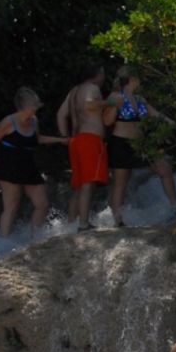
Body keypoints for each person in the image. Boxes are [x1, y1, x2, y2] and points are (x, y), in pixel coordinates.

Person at [103, 66, 176, 227]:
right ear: (132, 79)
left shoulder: (139, 98)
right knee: (120, 182)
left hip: (141, 144)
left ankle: (175, 207)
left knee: (164, 168)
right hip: (120, 143)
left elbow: (157, 114)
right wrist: (114, 106)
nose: (140, 81)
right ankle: (118, 221)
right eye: (138, 78)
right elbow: (107, 121)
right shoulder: (116, 96)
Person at [0, 87, 69, 236]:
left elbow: (37, 139)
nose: (36, 108)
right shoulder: (8, 122)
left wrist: (60, 140)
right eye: (34, 105)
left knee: (42, 204)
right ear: (25, 105)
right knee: (11, 207)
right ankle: (2, 244)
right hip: (8, 165)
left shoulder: (34, 120)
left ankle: (34, 238)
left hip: (27, 165)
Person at [56, 64, 115, 230]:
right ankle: (83, 224)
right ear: (97, 74)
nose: (104, 77)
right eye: (103, 73)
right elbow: (90, 104)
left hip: (76, 141)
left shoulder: (74, 91)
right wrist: (111, 101)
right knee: (88, 183)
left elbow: (60, 114)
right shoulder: (92, 88)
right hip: (90, 139)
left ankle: (71, 223)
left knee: (78, 185)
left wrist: (65, 137)